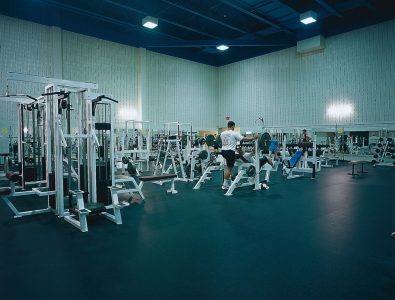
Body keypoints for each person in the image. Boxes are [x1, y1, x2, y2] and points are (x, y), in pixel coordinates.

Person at [220, 121, 258, 190]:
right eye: (233, 127)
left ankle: (225, 184)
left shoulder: (222, 133)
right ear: (232, 126)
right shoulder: (234, 133)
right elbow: (245, 139)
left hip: (223, 152)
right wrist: (254, 138)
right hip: (230, 152)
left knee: (228, 167)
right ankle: (225, 185)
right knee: (229, 169)